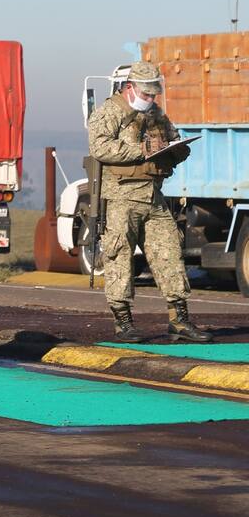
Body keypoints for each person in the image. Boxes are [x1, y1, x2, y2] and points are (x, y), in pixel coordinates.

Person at [87, 61, 211, 343]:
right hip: (120, 198)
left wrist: (177, 150)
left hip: (153, 197)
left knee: (170, 254)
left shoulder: (156, 115)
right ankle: (123, 323)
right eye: (146, 94)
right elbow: (100, 147)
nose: (150, 99)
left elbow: (173, 137)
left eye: (154, 94)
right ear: (130, 88)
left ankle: (179, 320)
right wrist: (141, 149)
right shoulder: (109, 112)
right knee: (119, 258)